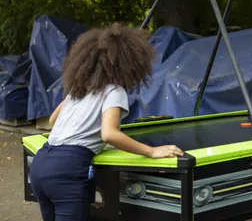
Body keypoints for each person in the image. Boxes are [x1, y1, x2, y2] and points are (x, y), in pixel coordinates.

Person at [29, 22, 184, 221]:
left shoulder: (81, 89)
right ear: (130, 64)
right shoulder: (114, 91)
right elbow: (109, 134)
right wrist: (152, 151)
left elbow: (52, 119)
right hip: (67, 168)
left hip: (41, 163)